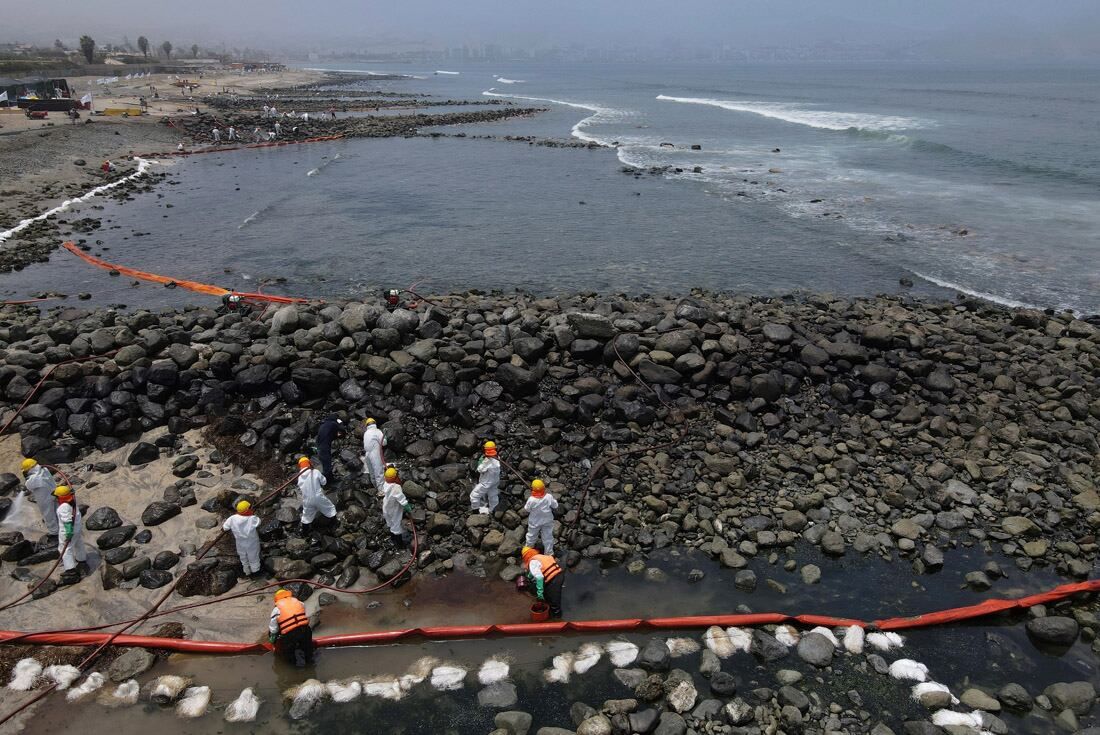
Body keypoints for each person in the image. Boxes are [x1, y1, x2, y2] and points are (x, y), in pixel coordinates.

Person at [268, 588, 313, 667]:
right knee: (308, 650)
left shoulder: (276, 609)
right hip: (305, 630)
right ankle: (310, 664)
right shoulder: (299, 602)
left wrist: (273, 639)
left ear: (277, 598)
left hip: (290, 634)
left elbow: (273, 629)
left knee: (289, 655)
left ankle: (293, 671)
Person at [295, 457, 335, 537]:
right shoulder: (315, 472)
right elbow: (324, 482)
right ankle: (333, 525)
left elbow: (300, 487)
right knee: (329, 508)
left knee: (306, 517)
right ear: (309, 463)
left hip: (307, 500)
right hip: (318, 498)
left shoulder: (299, 477)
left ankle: (304, 533)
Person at [54, 485, 88, 579]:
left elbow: (67, 521)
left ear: (60, 498)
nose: (56, 498)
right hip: (77, 528)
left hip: (68, 530)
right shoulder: (72, 502)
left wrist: (68, 533)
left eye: (57, 497)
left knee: (65, 549)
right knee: (78, 543)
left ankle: (70, 570)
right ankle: (81, 560)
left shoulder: (63, 507)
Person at [522, 546, 564, 618]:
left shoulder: (532, 562)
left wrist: (540, 593)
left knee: (554, 601)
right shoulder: (541, 556)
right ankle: (550, 607)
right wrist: (529, 576)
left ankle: (557, 618)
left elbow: (539, 577)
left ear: (526, 557)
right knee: (549, 594)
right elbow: (540, 567)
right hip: (559, 575)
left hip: (554, 579)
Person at [21, 459, 59, 536]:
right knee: (57, 510)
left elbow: (28, 486)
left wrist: (26, 478)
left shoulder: (34, 478)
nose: (26, 472)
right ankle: (63, 526)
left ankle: (54, 532)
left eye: (26, 470)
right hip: (54, 493)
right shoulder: (44, 470)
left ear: (30, 469)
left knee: (48, 515)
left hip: (45, 498)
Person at [223, 500, 261, 576]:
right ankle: (255, 572)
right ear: (247, 510)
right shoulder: (253, 519)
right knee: (254, 557)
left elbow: (225, 527)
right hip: (252, 543)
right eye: (250, 508)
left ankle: (247, 572)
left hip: (240, 543)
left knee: (243, 557)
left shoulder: (232, 518)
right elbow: (259, 522)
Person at [524, 479, 558, 555]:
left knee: (531, 535)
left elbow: (527, 509)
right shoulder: (548, 497)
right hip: (547, 520)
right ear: (543, 488)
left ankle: (528, 548)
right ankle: (549, 553)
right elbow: (555, 505)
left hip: (534, 522)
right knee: (548, 536)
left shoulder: (531, 500)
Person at [380, 467, 412, 546]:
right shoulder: (396, 487)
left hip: (386, 507)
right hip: (394, 509)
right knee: (396, 524)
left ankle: (393, 538)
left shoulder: (385, 484)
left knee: (390, 523)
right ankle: (399, 544)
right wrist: (407, 506)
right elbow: (401, 498)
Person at [469, 441, 501, 515]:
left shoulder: (487, 461)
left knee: (474, 495)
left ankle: (475, 511)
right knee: (493, 495)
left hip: (486, 483)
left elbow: (480, 469)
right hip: (495, 481)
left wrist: (483, 461)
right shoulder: (498, 458)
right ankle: (493, 510)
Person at [315, 416, 343, 483]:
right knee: (327, 467)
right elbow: (341, 429)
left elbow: (329, 435)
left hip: (319, 447)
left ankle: (331, 480)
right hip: (324, 448)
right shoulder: (332, 424)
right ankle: (325, 484)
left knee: (327, 464)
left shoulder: (324, 425)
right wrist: (340, 423)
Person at [361, 418, 387, 492]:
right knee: (379, 472)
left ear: (367, 425)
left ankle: (375, 488)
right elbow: (384, 443)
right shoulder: (377, 431)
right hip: (375, 453)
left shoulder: (366, 433)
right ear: (375, 423)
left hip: (367, 454)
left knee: (372, 472)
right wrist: (385, 436)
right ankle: (381, 491)